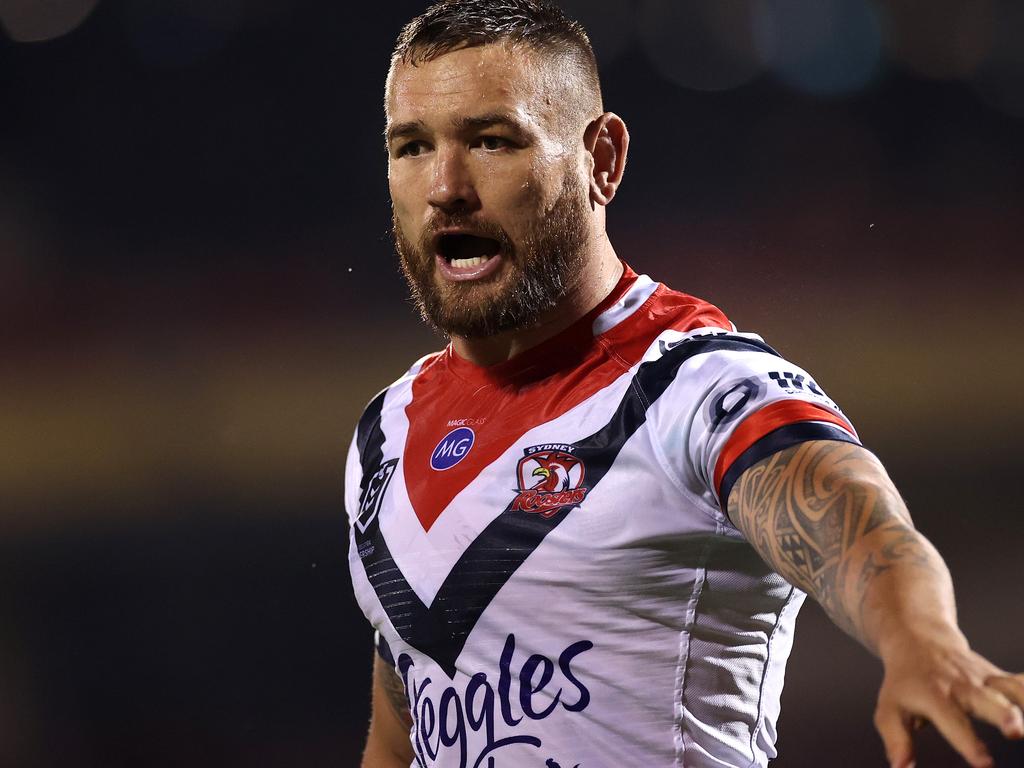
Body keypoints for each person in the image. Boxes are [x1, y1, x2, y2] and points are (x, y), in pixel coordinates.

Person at [344, 1, 1024, 766]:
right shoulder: (384, 435)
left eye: (493, 141)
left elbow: (856, 522)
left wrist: (921, 641)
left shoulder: (692, 387)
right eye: (411, 147)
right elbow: (407, 728)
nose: (445, 186)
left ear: (602, 160)